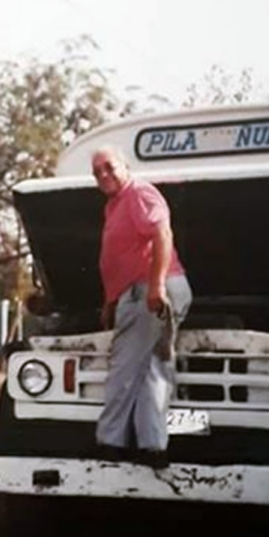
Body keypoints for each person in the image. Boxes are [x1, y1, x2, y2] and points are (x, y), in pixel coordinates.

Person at [92, 146, 192, 469]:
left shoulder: (139, 193)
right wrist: (110, 301)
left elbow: (163, 233)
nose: (104, 175)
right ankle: (152, 447)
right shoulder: (115, 205)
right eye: (97, 172)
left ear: (125, 166)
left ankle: (110, 442)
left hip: (149, 290)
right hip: (136, 292)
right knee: (151, 369)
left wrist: (156, 285)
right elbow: (119, 258)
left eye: (109, 167)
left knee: (125, 365)